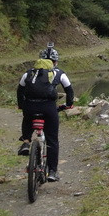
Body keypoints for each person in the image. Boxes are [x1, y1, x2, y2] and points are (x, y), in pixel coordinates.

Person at [17, 43, 74, 182]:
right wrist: (68, 104)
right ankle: (53, 172)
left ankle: (26, 141)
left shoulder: (29, 72)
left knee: (27, 116)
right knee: (52, 139)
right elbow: (69, 90)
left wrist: (21, 105)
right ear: (55, 61)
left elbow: (20, 90)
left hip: (30, 107)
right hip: (49, 108)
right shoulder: (58, 73)